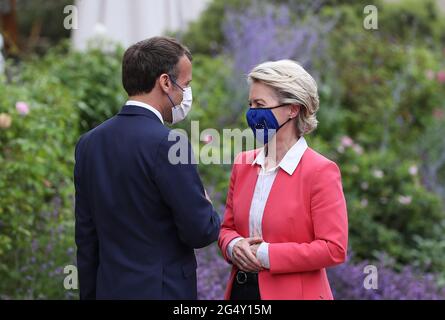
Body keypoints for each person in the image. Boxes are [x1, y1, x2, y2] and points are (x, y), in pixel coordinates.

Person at [74, 36, 220, 300]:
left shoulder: (88, 143)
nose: (186, 94)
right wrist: (206, 204)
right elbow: (200, 231)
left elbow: (86, 238)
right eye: (185, 85)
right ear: (165, 82)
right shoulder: (169, 143)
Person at [218, 60, 348, 300]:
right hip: (242, 292)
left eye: (260, 104)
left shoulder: (321, 172)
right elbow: (227, 228)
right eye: (250, 104)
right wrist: (234, 246)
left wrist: (266, 254)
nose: (252, 112)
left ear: (293, 109)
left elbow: (333, 248)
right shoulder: (243, 164)